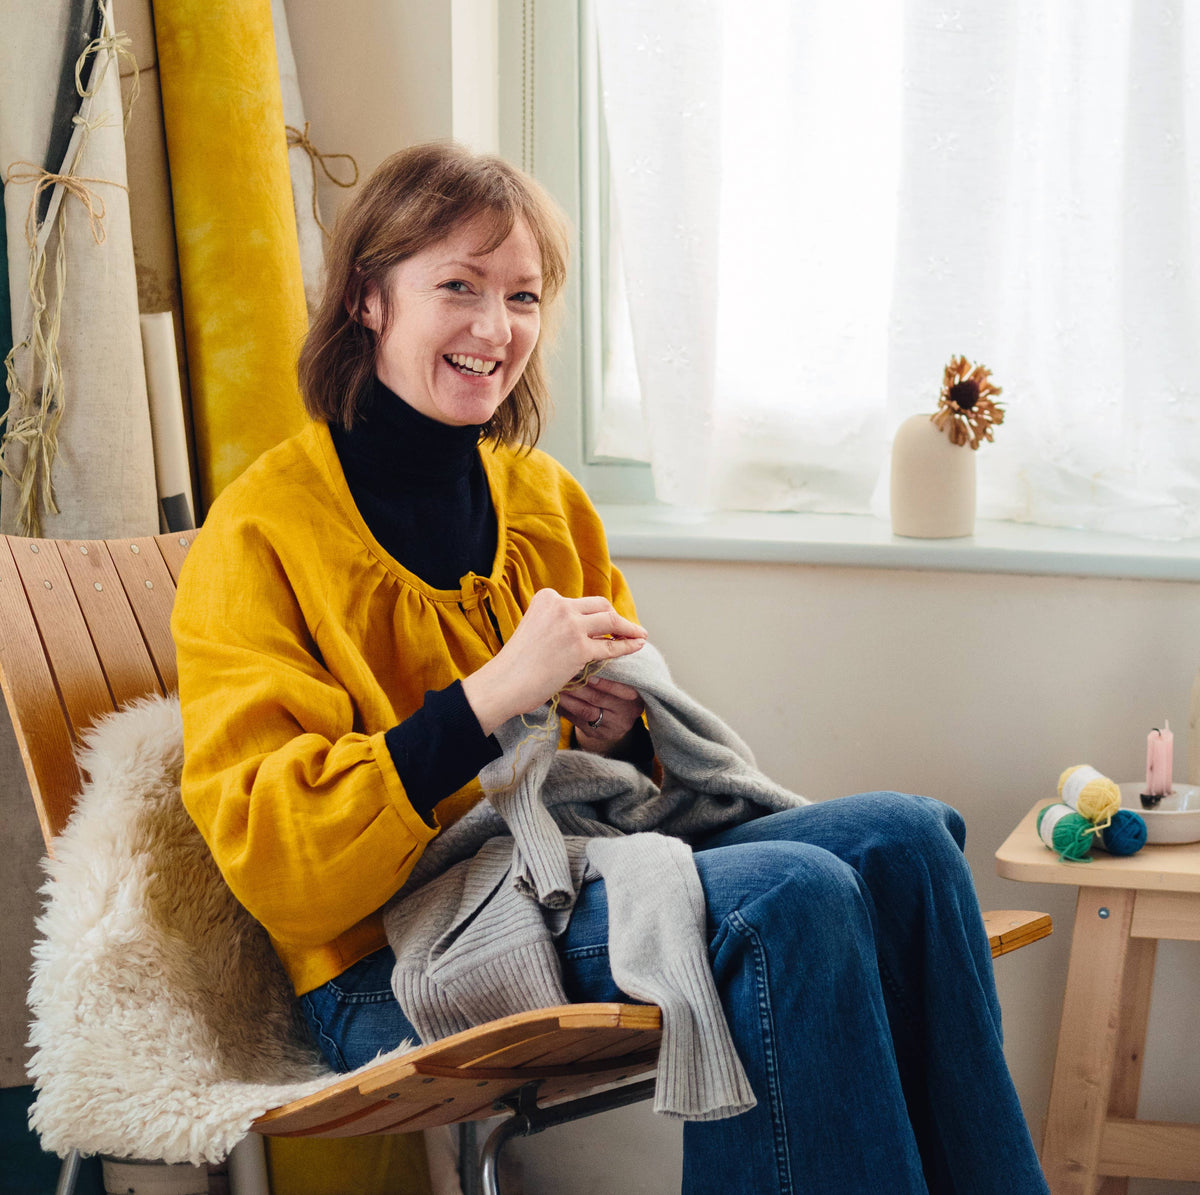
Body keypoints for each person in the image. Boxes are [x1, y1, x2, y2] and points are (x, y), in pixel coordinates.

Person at [172, 142, 1049, 1194]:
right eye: (458, 285)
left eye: (523, 295)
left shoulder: (543, 499)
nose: (495, 329)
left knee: (908, 837)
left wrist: (616, 726)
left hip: (575, 867)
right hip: (391, 959)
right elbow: (281, 864)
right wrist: (495, 692)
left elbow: (636, 765)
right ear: (369, 297)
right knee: (790, 895)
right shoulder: (260, 533)